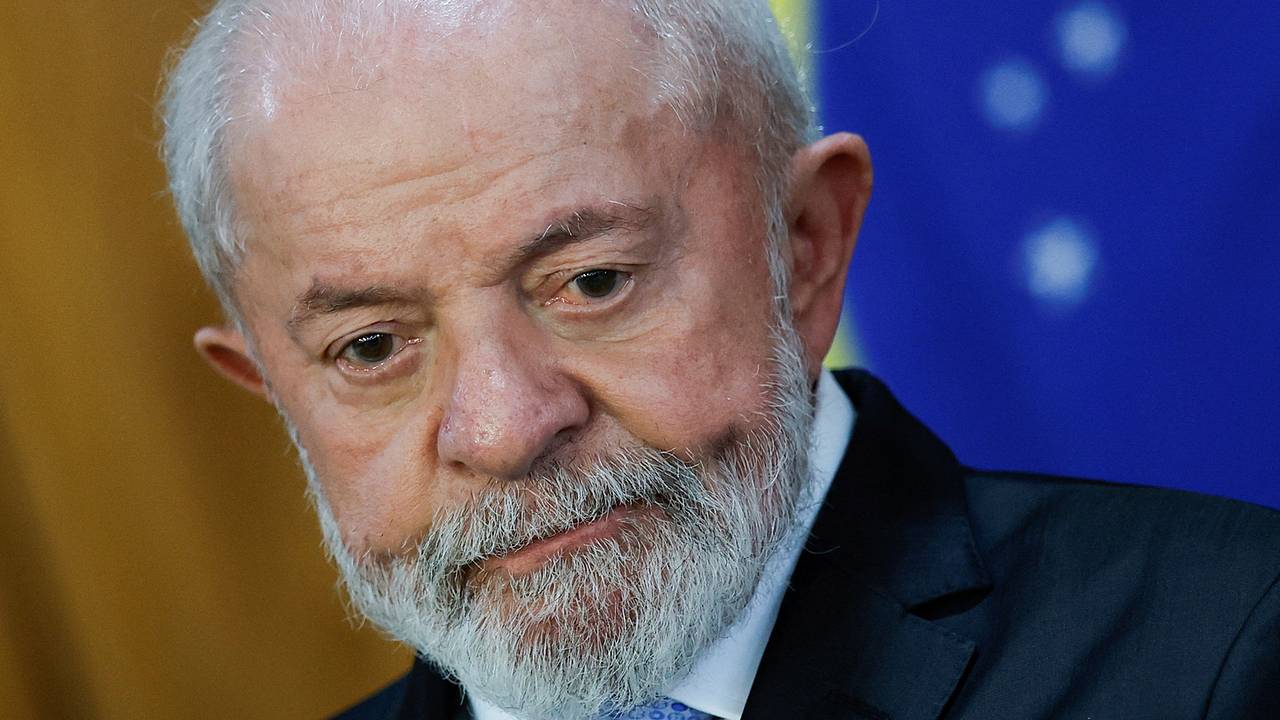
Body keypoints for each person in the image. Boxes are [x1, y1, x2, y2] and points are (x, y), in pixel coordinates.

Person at [159, 1, 1280, 718]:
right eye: (370, 347)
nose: (503, 429)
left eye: (592, 282)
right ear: (273, 392)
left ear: (805, 245)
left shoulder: (1228, 654)